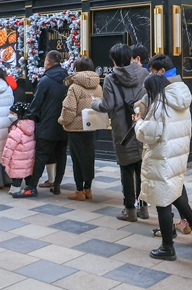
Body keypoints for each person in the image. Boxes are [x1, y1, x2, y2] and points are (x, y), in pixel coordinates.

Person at [135, 73, 192, 260]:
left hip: (162, 157)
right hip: (177, 156)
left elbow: (147, 134)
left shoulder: (160, 106)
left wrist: (138, 122)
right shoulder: (181, 102)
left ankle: (168, 247)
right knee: (175, 191)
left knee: (162, 202)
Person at [92, 44, 148, 221]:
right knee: (141, 168)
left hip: (122, 128)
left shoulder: (110, 78)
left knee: (126, 169)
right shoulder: (144, 74)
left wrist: (93, 102)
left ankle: (129, 210)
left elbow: (106, 106)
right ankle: (143, 208)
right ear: (131, 57)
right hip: (140, 125)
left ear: (114, 59)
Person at [17, 51, 68, 197]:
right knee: (61, 155)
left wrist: (28, 117)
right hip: (64, 124)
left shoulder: (45, 80)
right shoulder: (67, 78)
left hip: (47, 124)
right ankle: (57, 185)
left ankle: (31, 187)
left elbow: (36, 103)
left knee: (41, 155)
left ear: (47, 62)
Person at [60, 56, 102, 200]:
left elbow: (69, 109)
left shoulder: (74, 87)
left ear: (77, 68)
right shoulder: (98, 86)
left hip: (75, 128)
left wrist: (62, 121)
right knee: (89, 157)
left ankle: (79, 191)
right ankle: (88, 189)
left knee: (77, 159)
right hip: (91, 126)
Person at [1, 102, 36, 195]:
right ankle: (29, 189)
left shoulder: (16, 131)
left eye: (13, 113)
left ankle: (15, 191)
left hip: (17, 163)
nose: (10, 115)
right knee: (29, 176)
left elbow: (9, 148)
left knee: (16, 180)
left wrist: (5, 161)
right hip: (29, 161)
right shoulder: (32, 127)